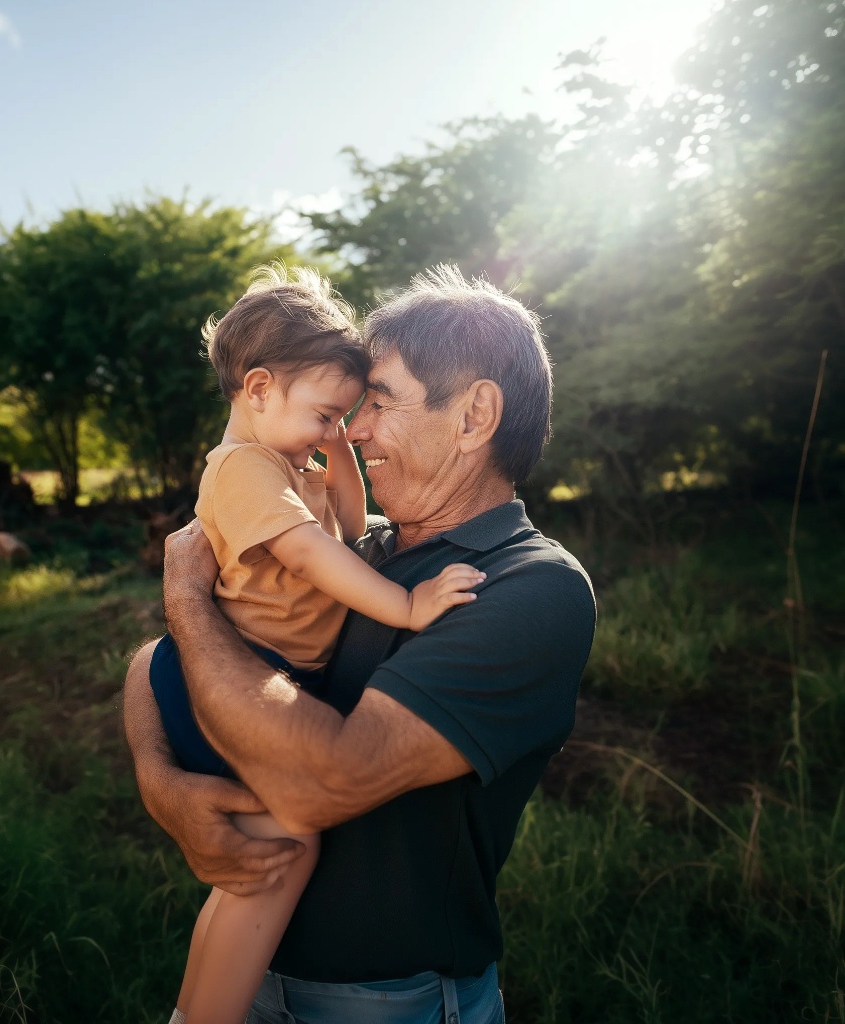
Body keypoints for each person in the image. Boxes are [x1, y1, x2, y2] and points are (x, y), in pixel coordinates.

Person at [124, 264, 597, 1024]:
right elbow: (153, 662)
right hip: (257, 974)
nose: (352, 427)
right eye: (346, 406)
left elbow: (321, 785)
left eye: (376, 401)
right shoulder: (359, 553)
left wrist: (185, 597)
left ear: (474, 416)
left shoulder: (528, 587)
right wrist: (160, 781)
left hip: (386, 1002)